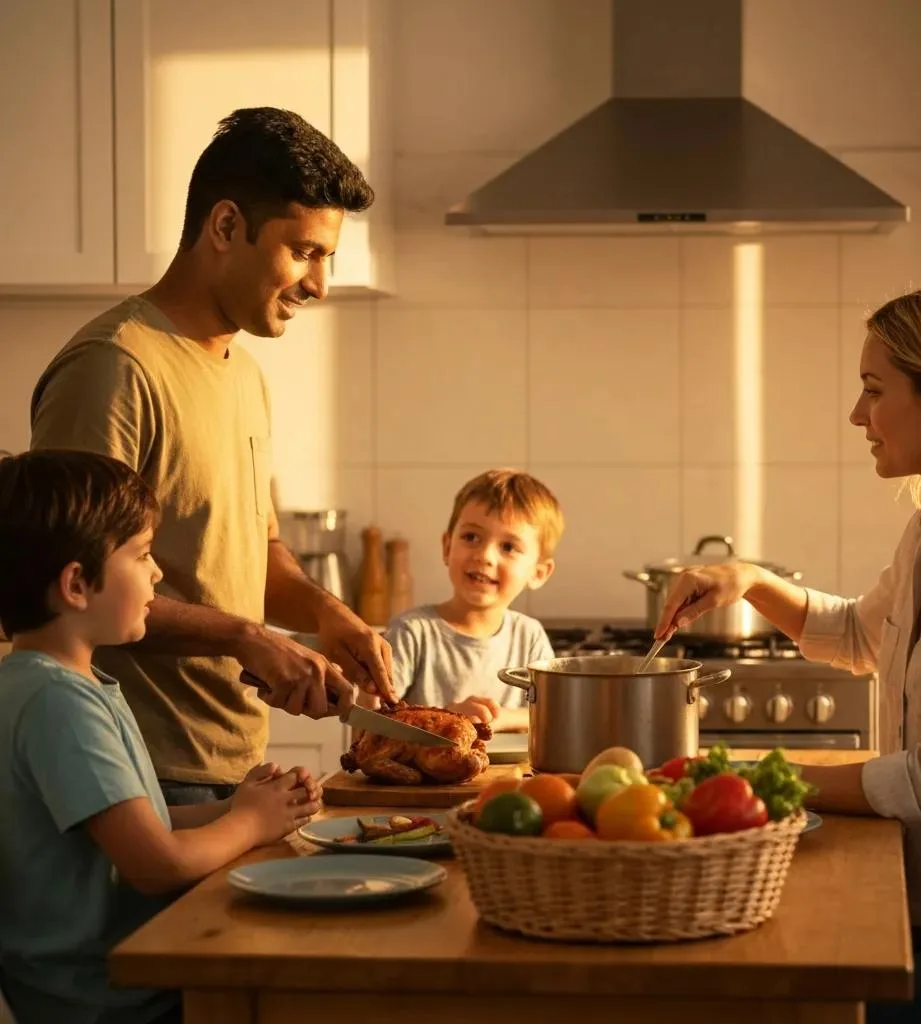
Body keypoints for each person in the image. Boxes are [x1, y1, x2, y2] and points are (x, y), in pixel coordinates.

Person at [655, 277, 921, 1023]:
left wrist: (758, 779)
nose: (858, 414)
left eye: (873, 389)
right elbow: (861, 635)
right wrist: (750, 582)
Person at [29, 106, 397, 806]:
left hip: (229, 762)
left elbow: (250, 551)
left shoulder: (243, 374)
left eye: (329, 258)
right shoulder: (114, 367)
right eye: (305, 252)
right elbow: (64, 587)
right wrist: (245, 637)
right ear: (226, 227)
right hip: (129, 767)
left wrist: (325, 612)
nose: (319, 284)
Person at [0, 449, 323, 1024]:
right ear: (77, 584)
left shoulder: (66, 684)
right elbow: (157, 864)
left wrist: (239, 805)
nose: (157, 574)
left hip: (110, 984)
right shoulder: (57, 702)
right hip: (104, 998)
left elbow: (139, 823)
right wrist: (250, 824)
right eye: (143, 555)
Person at [382, 469, 563, 732]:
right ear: (447, 547)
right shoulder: (412, 632)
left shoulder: (530, 636)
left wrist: (500, 719)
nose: (485, 556)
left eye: (509, 547)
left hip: (510, 774)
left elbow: (553, 715)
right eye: (471, 538)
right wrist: (447, 720)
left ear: (538, 572)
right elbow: (372, 725)